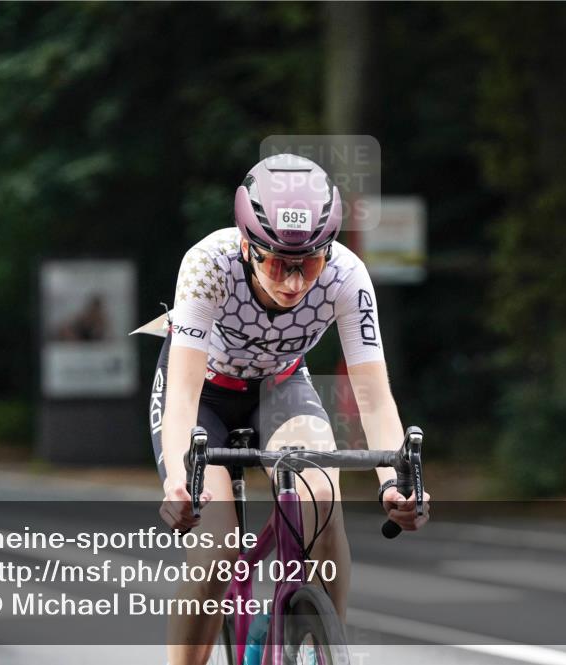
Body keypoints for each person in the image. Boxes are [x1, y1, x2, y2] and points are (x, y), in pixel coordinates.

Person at [151, 153, 430, 665]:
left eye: (311, 264)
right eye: (279, 264)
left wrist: (394, 482)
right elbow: (184, 395)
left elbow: (373, 394)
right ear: (247, 246)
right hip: (205, 394)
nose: (296, 283)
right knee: (217, 545)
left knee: (321, 494)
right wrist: (177, 480)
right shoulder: (207, 265)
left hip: (279, 387)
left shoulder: (347, 274)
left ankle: (328, 648)